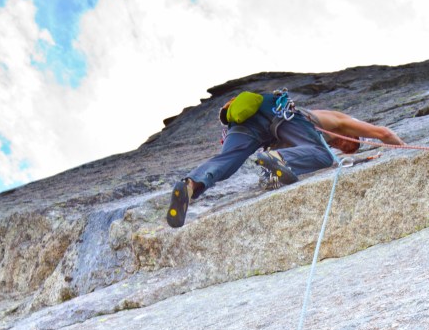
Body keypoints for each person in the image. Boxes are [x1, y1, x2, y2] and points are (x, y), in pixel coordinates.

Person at [166, 91, 404, 228]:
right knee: (323, 156)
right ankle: (276, 157)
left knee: (227, 161)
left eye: (346, 148)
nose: (342, 145)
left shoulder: (306, 142)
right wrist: (406, 150)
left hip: (250, 125)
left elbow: (287, 164)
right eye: (348, 141)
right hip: (277, 113)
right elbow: (382, 133)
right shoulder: (338, 120)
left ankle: (192, 185)